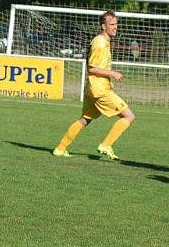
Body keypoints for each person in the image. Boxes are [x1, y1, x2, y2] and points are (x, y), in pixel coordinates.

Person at [53, 10, 136, 161]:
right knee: (129, 116)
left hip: (94, 88)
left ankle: (60, 149)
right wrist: (113, 74)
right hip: (99, 90)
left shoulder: (103, 42)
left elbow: (100, 66)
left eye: (116, 24)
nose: (115, 27)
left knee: (85, 119)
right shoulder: (100, 43)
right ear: (103, 26)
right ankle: (105, 145)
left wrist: (108, 80)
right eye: (112, 24)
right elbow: (92, 68)